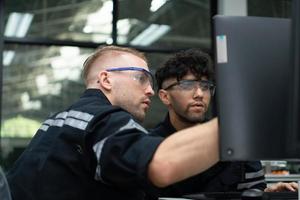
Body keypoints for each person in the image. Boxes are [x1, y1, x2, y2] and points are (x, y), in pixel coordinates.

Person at [6, 45, 220, 200]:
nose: (150, 90)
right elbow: (161, 164)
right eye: (142, 78)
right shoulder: (103, 119)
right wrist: (235, 122)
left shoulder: (57, 121)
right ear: (106, 80)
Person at [147, 49, 298, 199]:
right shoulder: (151, 148)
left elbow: (253, 190)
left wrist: (267, 194)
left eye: (205, 86)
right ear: (165, 97)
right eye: (187, 85)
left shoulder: (236, 142)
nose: (199, 94)